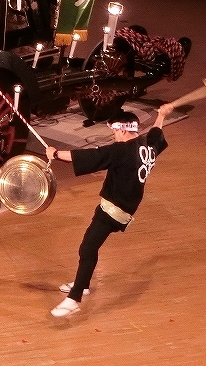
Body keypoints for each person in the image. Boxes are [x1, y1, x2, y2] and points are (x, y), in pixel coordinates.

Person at [45, 104, 173, 317]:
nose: (114, 135)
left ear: (123, 129)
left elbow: (91, 157)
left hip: (112, 211)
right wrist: (161, 115)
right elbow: (156, 134)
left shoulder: (121, 151)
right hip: (123, 209)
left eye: (114, 131)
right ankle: (83, 284)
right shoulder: (147, 146)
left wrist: (56, 153)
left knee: (87, 248)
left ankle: (74, 298)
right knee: (89, 247)